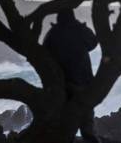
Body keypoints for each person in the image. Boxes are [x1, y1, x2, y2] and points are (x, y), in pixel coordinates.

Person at [43, 9, 99, 143]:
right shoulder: (79, 30)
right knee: (87, 127)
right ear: (73, 18)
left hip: (62, 85)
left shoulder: (53, 33)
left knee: (66, 127)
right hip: (83, 83)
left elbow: (44, 53)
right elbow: (93, 43)